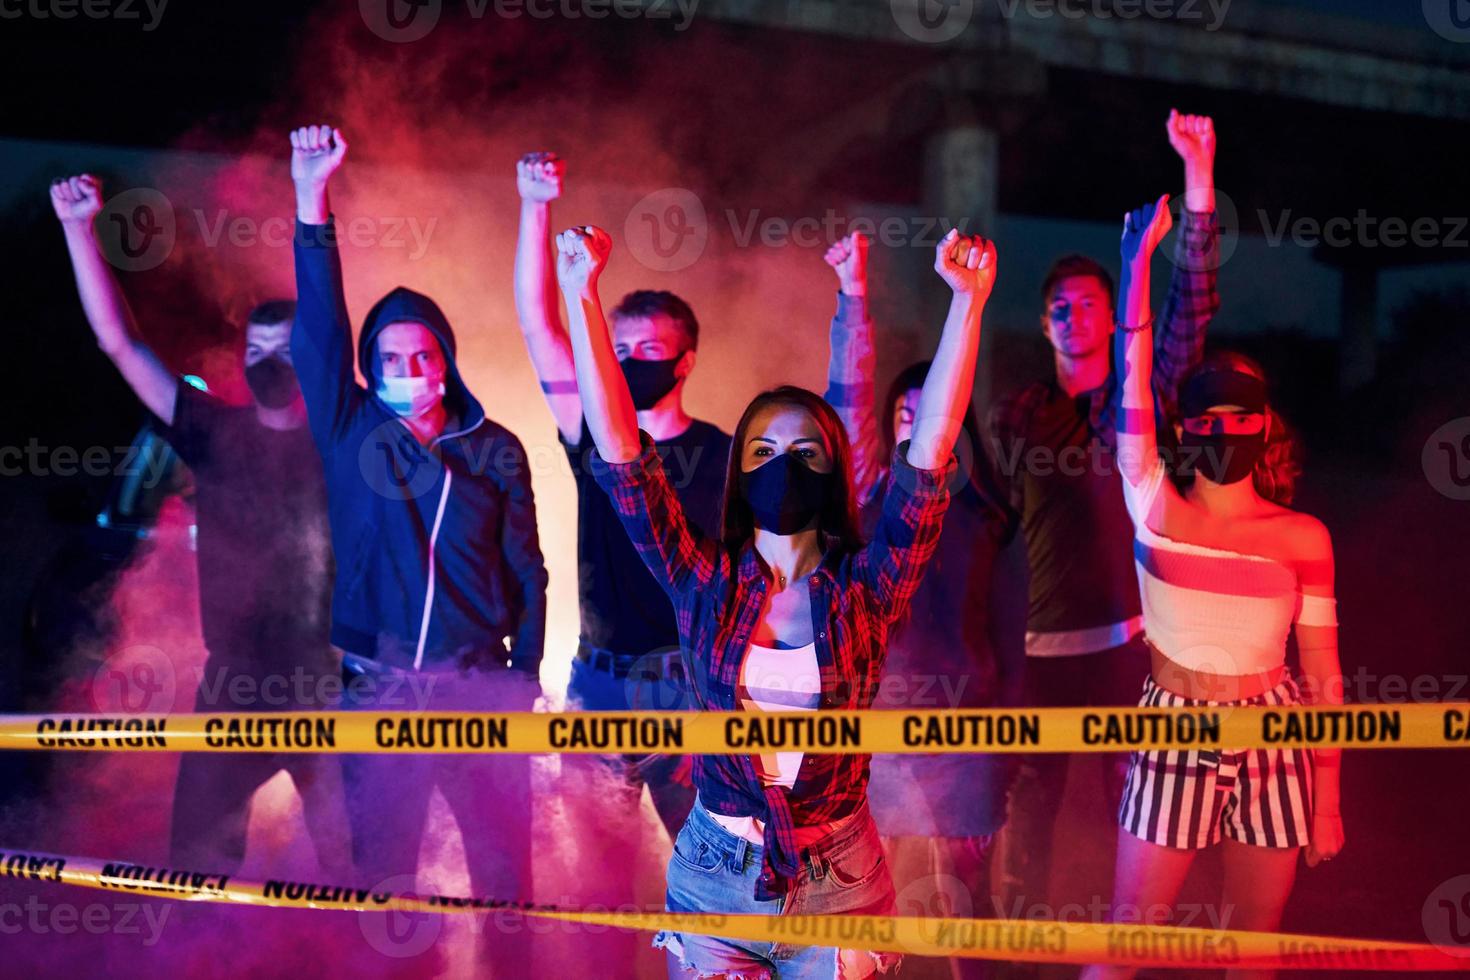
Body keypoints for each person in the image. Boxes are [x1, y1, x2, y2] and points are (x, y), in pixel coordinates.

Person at [555, 219, 994, 979]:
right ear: (737, 470)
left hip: (841, 878)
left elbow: (929, 456)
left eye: (804, 452)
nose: (782, 464)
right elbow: (622, 452)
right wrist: (579, 294)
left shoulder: (866, 587)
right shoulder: (702, 580)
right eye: (763, 450)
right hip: (713, 876)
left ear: (831, 472)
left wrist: (968, 303)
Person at [288, 126, 548, 971]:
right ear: (370, 368)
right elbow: (321, 332)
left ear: (446, 362)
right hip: (377, 692)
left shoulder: (495, 446)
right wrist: (310, 197)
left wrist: (525, 675)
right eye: (389, 357)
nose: (407, 367)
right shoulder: (350, 426)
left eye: (422, 354)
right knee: (384, 888)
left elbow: (529, 570)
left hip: (481, 689)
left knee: (507, 881)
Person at [49, 174, 351, 877]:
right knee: (194, 870)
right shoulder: (216, 432)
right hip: (235, 685)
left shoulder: (345, 439)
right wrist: (77, 229)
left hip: (331, 684)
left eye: (285, 351)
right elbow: (120, 345)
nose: (267, 364)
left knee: (354, 873)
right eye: (255, 352)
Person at [1079, 195, 1345, 980]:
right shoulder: (1152, 500)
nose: (1224, 430)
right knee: (1130, 936)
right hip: (1174, 726)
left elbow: (1326, 678)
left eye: (1242, 416)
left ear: (1265, 427)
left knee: (1255, 940)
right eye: (1208, 417)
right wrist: (1133, 268)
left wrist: (1327, 799)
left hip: (1277, 735)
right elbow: (1130, 375)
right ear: (1185, 426)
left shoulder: (1304, 537)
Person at [986, 111, 1220, 928]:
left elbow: (1190, 311)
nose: (1070, 315)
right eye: (1057, 306)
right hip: (1039, 655)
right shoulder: (1020, 410)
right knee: (1028, 810)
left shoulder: (1139, 408)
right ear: (1044, 322)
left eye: (1088, 303)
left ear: (1112, 313)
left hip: (1130, 647)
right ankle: (1018, 947)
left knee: (1142, 800)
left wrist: (1197, 177)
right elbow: (989, 528)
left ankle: (1139, 942)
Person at [514, 151, 730, 971]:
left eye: (653, 347)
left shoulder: (724, 455)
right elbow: (540, 326)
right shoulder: (595, 446)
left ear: (686, 360)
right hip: (599, 681)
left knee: (709, 889)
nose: (635, 357)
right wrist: (537, 206)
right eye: (623, 344)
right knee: (595, 898)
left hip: (690, 688)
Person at [823, 231, 1026, 980]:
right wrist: (852, 296)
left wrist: (1010, 737)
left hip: (964, 728)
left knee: (964, 897)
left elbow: (1009, 638)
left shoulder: (987, 517)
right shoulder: (871, 497)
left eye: (928, 411)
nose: (915, 422)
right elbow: (846, 401)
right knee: (873, 898)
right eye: (901, 414)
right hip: (874, 725)